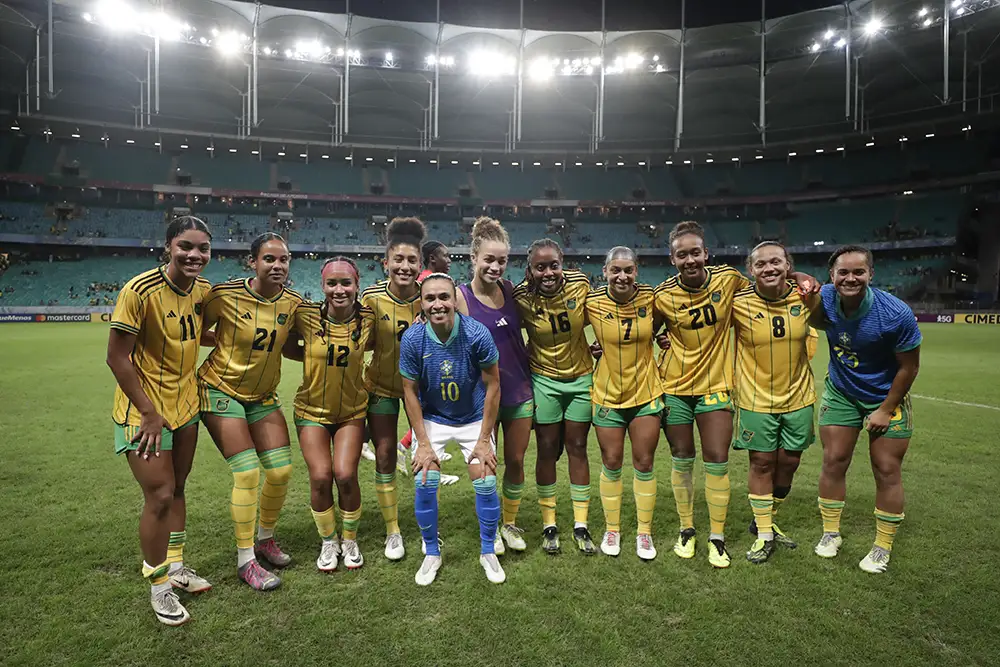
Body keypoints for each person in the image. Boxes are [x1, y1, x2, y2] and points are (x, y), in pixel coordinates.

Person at [654, 221, 817, 568]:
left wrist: (798, 275)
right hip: (674, 387)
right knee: (682, 458)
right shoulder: (662, 295)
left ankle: (717, 537)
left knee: (717, 460)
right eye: (682, 255)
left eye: (695, 252)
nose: (689, 260)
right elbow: (645, 329)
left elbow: (769, 279)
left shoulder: (729, 280)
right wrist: (655, 338)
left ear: (706, 253)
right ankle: (686, 529)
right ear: (672, 259)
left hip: (715, 386)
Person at [106, 216, 213, 626]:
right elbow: (117, 357)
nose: (194, 255)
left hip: (186, 407)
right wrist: (149, 412)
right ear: (169, 246)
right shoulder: (139, 290)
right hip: (143, 412)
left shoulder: (203, 291)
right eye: (186, 246)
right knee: (161, 496)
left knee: (179, 488)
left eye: (203, 248)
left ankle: (177, 567)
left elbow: (199, 333)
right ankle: (159, 587)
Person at [198, 232, 303, 591]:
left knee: (281, 471)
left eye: (283, 259)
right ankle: (246, 561)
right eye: (269, 259)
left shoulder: (294, 303)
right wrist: (222, 339)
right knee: (246, 473)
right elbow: (193, 331)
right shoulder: (225, 296)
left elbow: (294, 345)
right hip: (220, 389)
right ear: (252, 262)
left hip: (262, 396)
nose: (277, 265)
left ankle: (265, 539)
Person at [809, 245, 921, 573]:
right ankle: (831, 533)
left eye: (859, 272)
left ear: (871, 274)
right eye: (843, 272)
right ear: (831, 276)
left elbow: (909, 367)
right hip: (841, 392)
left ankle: (882, 547)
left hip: (884, 396)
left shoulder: (895, 313)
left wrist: (886, 409)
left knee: (886, 469)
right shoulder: (825, 297)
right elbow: (801, 286)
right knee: (833, 460)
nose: (851, 278)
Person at [400, 273, 504, 585]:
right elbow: (409, 391)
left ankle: (488, 551)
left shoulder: (476, 333)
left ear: (455, 300)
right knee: (425, 479)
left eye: (444, 297)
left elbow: (494, 384)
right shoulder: (412, 339)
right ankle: (432, 552)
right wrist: (422, 443)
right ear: (421, 303)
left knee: (485, 479)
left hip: (473, 417)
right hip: (434, 417)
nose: (438, 304)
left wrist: (484, 439)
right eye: (430, 298)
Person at [282, 257, 375, 572]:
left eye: (346, 283)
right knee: (321, 477)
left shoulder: (369, 318)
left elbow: (381, 342)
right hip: (312, 410)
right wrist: (311, 355)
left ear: (357, 285)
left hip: (352, 412)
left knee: (346, 475)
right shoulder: (305, 315)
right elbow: (285, 344)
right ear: (322, 286)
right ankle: (328, 541)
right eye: (331, 283)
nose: (339, 290)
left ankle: (350, 540)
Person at [731, 242, 820, 564]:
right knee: (762, 463)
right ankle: (765, 533)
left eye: (776, 262)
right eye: (761, 264)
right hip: (755, 398)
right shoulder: (737, 302)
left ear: (787, 266)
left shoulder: (805, 297)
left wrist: (802, 278)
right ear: (750, 270)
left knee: (789, 463)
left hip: (798, 396)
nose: (769, 268)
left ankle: (765, 520)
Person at [455, 217, 534, 554]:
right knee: (485, 465)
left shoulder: (511, 291)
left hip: (518, 392)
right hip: (480, 397)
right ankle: (490, 527)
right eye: (489, 259)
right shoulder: (459, 298)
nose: (495, 266)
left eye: (502, 260)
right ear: (474, 257)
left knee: (515, 461)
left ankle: (510, 524)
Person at [513, 238, 597, 554]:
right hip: (544, 381)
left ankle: (581, 525)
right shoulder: (521, 297)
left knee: (578, 447)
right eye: (540, 267)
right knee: (547, 449)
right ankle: (549, 525)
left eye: (553, 265)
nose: (548, 273)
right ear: (530, 269)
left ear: (562, 264)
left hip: (581, 379)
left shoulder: (580, 283)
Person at [585, 246, 664, 560]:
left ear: (636, 272)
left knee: (644, 463)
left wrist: (665, 337)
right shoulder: (592, 302)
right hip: (607, 394)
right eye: (615, 270)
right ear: (605, 272)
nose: (622, 276)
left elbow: (673, 320)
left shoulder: (651, 297)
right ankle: (612, 528)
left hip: (646, 393)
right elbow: (568, 330)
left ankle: (644, 532)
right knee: (612, 461)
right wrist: (587, 349)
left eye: (628, 270)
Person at [360, 217, 427, 561]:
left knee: (427, 455)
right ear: (385, 262)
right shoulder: (371, 298)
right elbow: (362, 341)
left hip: (422, 390)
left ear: (420, 263)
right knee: (385, 454)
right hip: (382, 387)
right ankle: (393, 531)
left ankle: (429, 525)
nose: (405, 266)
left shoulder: (430, 296)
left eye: (411, 260)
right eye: (398, 259)